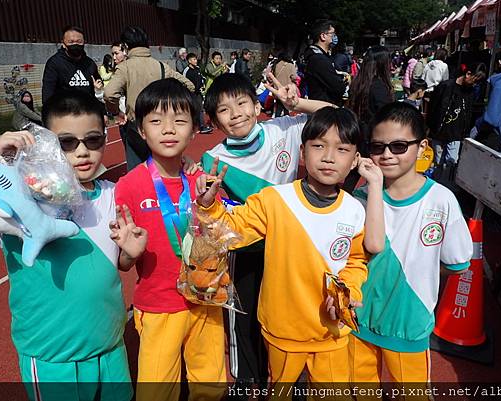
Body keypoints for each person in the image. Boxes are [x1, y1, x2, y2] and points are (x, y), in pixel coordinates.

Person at [0, 91, 135, 401]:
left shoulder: (114, 194)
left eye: (93, 140)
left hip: (110, 347)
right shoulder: (19, 204)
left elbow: (123, 257)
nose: (82, 151)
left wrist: (129, 253)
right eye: (66, 142)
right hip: (52, 358)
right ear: (46, 144)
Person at [196, 106, 368, 388]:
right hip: (283, 330)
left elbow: (356, 262)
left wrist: (349, 289)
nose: (328, 157)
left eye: (341, 149)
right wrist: (209, 206)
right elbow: (230, 230)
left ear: (355, 160)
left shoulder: (354, 210)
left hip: (333, 331)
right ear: (302, 152)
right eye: (318, 146)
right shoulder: (274, 200)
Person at [114, 79, 226, 401]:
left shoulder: (202, 179)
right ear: (141, 130)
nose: (168, 129)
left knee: (211, 384)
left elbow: (219, 233)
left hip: (205, 298)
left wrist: (208, 204)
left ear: (193, 131)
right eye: (156, 121)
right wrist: (129, 255)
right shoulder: (129, 186)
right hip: (159, 305)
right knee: (157, 390)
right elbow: (123, 261)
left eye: (179, 120)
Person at [350, 102, 472, 388]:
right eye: (377, 147)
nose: (387, 155)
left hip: (408, 328)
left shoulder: (442, 201)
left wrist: (419, 277)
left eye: (399, 146)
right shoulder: (360, 197)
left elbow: (456, 265)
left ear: (422, 147)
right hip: (357, 321)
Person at [104, 26, 195, 171]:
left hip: (135, 124)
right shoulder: (161, 66)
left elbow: (109, 94)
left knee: (136, 167)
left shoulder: (125, 67)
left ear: (126, 47)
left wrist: (116, 113)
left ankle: (140, 191)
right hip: (160, 122)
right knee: (162, 164)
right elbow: (189, 86)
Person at [427, 62, 487, 183]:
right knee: (438, 162)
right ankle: (437, 184)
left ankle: (447, 186)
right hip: (439, 131)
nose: (475, 84)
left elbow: (468, 112)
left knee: (452, 162)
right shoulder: (445, 86)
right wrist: (430, 127)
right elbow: (433, 107)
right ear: (468, 74)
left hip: (456, 134)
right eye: (475, 80)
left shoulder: (469, 92)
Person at [42, 25, 102, 104]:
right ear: (63, 44)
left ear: (84, 42)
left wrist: (102, 112)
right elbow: (48, 94)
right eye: (71, 42)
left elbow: (98, 89)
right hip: (65, 113)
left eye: (79, 41)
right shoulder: (54, 63)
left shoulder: (90, 63)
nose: (75, 44)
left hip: (88, 112)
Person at [349, 45, 394, 137]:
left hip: (358, 132)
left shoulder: (358, 82)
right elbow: (386, 115)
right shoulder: (378, 87)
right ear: (383, 64)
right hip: (375, 136)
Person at [301, 19, 347, 106]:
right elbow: (338, 87)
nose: (334, 37)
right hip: (324, 110)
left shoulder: (321, 56)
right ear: (323, 36)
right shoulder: (319, 59)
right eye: (332, 34)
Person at [183, 53, 214, 134]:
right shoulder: (186, 71)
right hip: (191, 93)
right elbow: (184, 82)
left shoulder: (197, 69)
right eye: (194, 59)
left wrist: (202, 86)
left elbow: (200, 79)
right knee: (191, 110)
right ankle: (189, 126)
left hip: (198, 93)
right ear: (189, 61)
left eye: (196, 59)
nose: (196, 61)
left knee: (200, 109)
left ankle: (202, 127)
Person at [270, 53, 298, 117]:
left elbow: (271, 76)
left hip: (277, 89)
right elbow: (294, 77)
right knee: (286, 107)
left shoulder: (276, 65)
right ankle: (286, 122)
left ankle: (277, 121)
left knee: (279, 107)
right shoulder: (291, 65)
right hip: (287, 90)